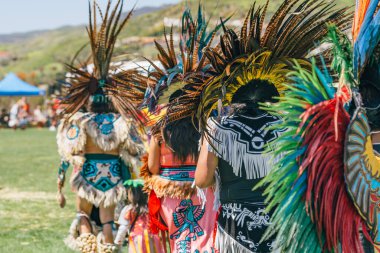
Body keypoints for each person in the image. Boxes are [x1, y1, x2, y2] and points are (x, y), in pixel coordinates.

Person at [194, 1, 351, 252]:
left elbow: (202, 180)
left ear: (235, 96)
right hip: (283, 226)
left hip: (235, 231)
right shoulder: (291, 126)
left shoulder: (218, 126)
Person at [56, 1, 147, 252]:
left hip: (87, 174)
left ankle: (87, 245)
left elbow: (69, 152)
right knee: (107, 218)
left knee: (83, 214)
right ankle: (107, 244)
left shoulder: (79, 120)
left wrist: (60, 181)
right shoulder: (122, 122)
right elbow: (133, 153)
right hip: (113, 174)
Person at [140, 6, 220, 253]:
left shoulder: (160, 130)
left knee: (179, 241)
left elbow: (153, 169)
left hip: (171, 195)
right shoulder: (204, 125)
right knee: (204, 241)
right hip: (202, 192)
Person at [196, 81, 284, 252]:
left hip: (235, 227)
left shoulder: (218, 127)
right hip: (279, 224)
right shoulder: (287, 127)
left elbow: (201, 180)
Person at [114, 179, 165, 253]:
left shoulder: (129, 209)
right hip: (152, 238)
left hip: (137, 240)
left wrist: (118, 241)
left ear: (131, 194)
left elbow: (123, 227)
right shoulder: (151, 208)